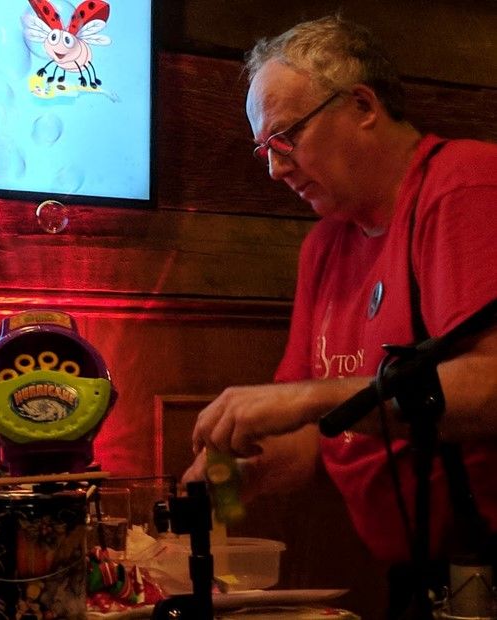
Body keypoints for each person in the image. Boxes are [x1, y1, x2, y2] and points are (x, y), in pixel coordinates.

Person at [183, 14, 497, 619]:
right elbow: (313, 436)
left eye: (285, 138)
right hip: (420, 575)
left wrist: (306, 399)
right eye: (264, 150)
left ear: (362, 105)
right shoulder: (325, 246)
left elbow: (490, 387)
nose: (275, 169)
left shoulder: (464, 185)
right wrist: (236, 472)